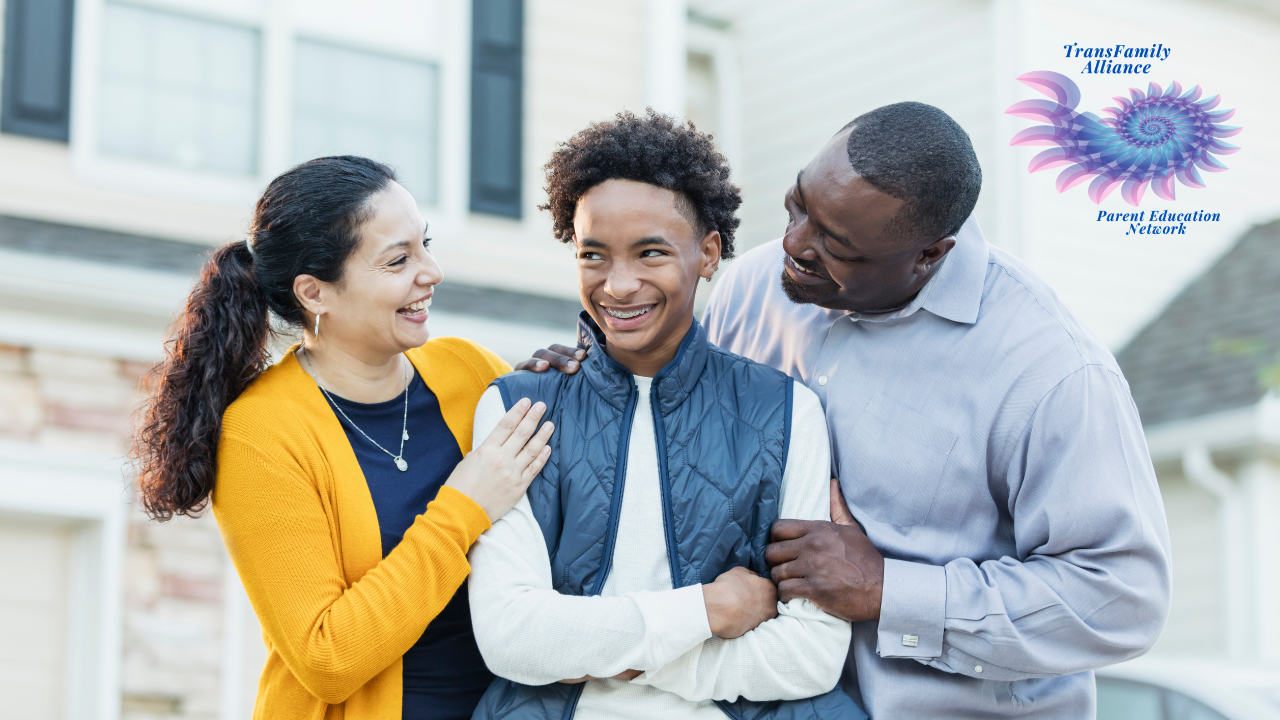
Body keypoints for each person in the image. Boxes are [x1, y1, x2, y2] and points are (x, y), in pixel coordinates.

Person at [520, 103, 1173, 719]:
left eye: (837, 245)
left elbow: (1119, 598)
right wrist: (591, 378)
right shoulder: (754, 289)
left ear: (928, 255)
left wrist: (891, 591)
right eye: (798, 205)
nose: (795, 245)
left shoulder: (1049, 370)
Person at [466, 111, 867, 720]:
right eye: (593, 255)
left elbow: (809, 654)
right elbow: (510, 638)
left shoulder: (786, 412)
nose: (619, 285)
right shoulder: (519, 407)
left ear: (707, 254)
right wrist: (706, 611)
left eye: (650, 253)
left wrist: (616, 656)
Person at [131, 156, 555, 720]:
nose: (431, 271)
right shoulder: (264, 433)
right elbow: (327, 657)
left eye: (424, 244)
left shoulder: (470, 370)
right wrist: (463, 510)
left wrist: (570, 398)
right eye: (399, 259)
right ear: (315, 293)